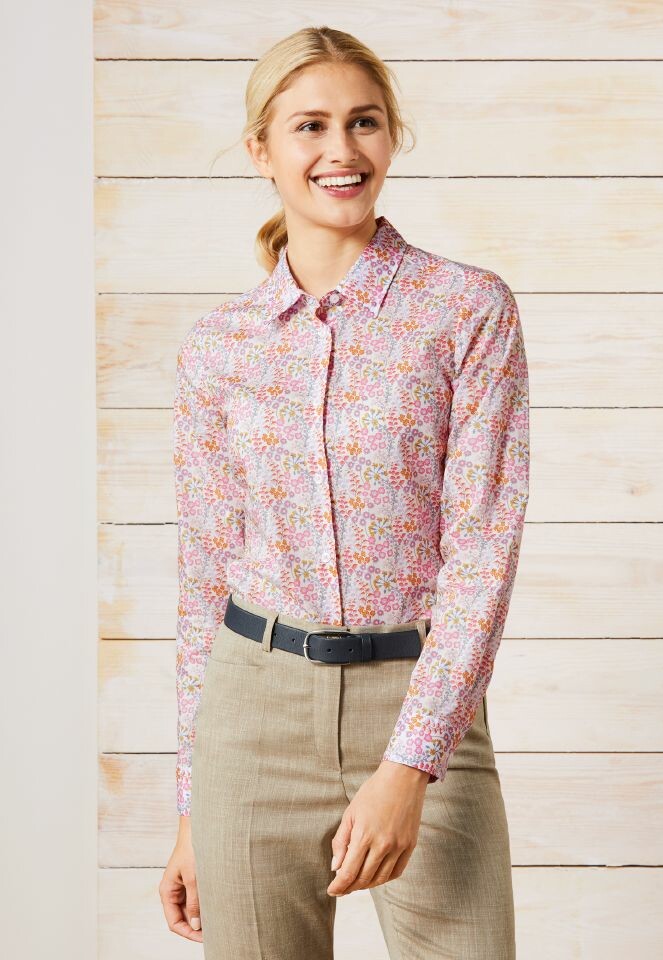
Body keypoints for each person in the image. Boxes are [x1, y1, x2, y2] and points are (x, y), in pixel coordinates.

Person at [159, 24, 529, 960]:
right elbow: (205, 578)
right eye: (310, 125)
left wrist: (410, 766)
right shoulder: (220, 348)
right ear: (262, 150)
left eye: (364, 121)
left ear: (391, 136)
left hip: (419, 703)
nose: (341, 149)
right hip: (250, 719)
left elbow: (482, 554)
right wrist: (193, 809)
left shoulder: (465, 310)